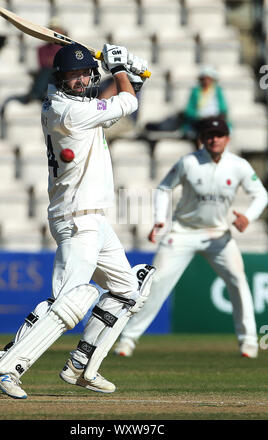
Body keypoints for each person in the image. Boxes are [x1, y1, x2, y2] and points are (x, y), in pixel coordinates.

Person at [0, 43, 155, 399]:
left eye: (83, 74)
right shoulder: (69, 113)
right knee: (71, 301)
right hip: (77, 217)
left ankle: (82, 365)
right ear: (59, 77)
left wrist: (130, 74)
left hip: (93, 216)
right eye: (72, 75)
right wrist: (121, 68)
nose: (79, 80)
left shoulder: (73, 104)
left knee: (127, 290)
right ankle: (8, 366)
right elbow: (127, 102)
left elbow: (120, 98)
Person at [114, 116, 268, 359]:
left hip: (218, 234)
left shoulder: (238, 165)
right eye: (209, 135)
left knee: (238, 281)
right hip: (182, 232)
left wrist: (248, 217)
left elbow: (261, 195)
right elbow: (164, 188)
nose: (214, 139)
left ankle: (248, 342)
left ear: (227, 139)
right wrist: (160, 220)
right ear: (201, 139)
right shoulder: (189, 163)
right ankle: (127, 340)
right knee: (156, 284)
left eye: (219, 135)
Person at [0, 19, 66, 139]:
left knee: (49, 72)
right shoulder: (42, 49)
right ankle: (38, 95)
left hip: (57, 80)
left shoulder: (66, 49)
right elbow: (44, 64)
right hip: (48, 79)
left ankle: (37, 95)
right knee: (47, 72)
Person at [144, 65, 229, 148]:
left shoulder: (217, 91)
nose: (206, 81)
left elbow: (223, 109)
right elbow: (189, 110)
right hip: (198, 122)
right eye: (204, 78)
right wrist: (199, 116)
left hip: (213, 120)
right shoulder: (196, 91)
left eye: (209, 79)